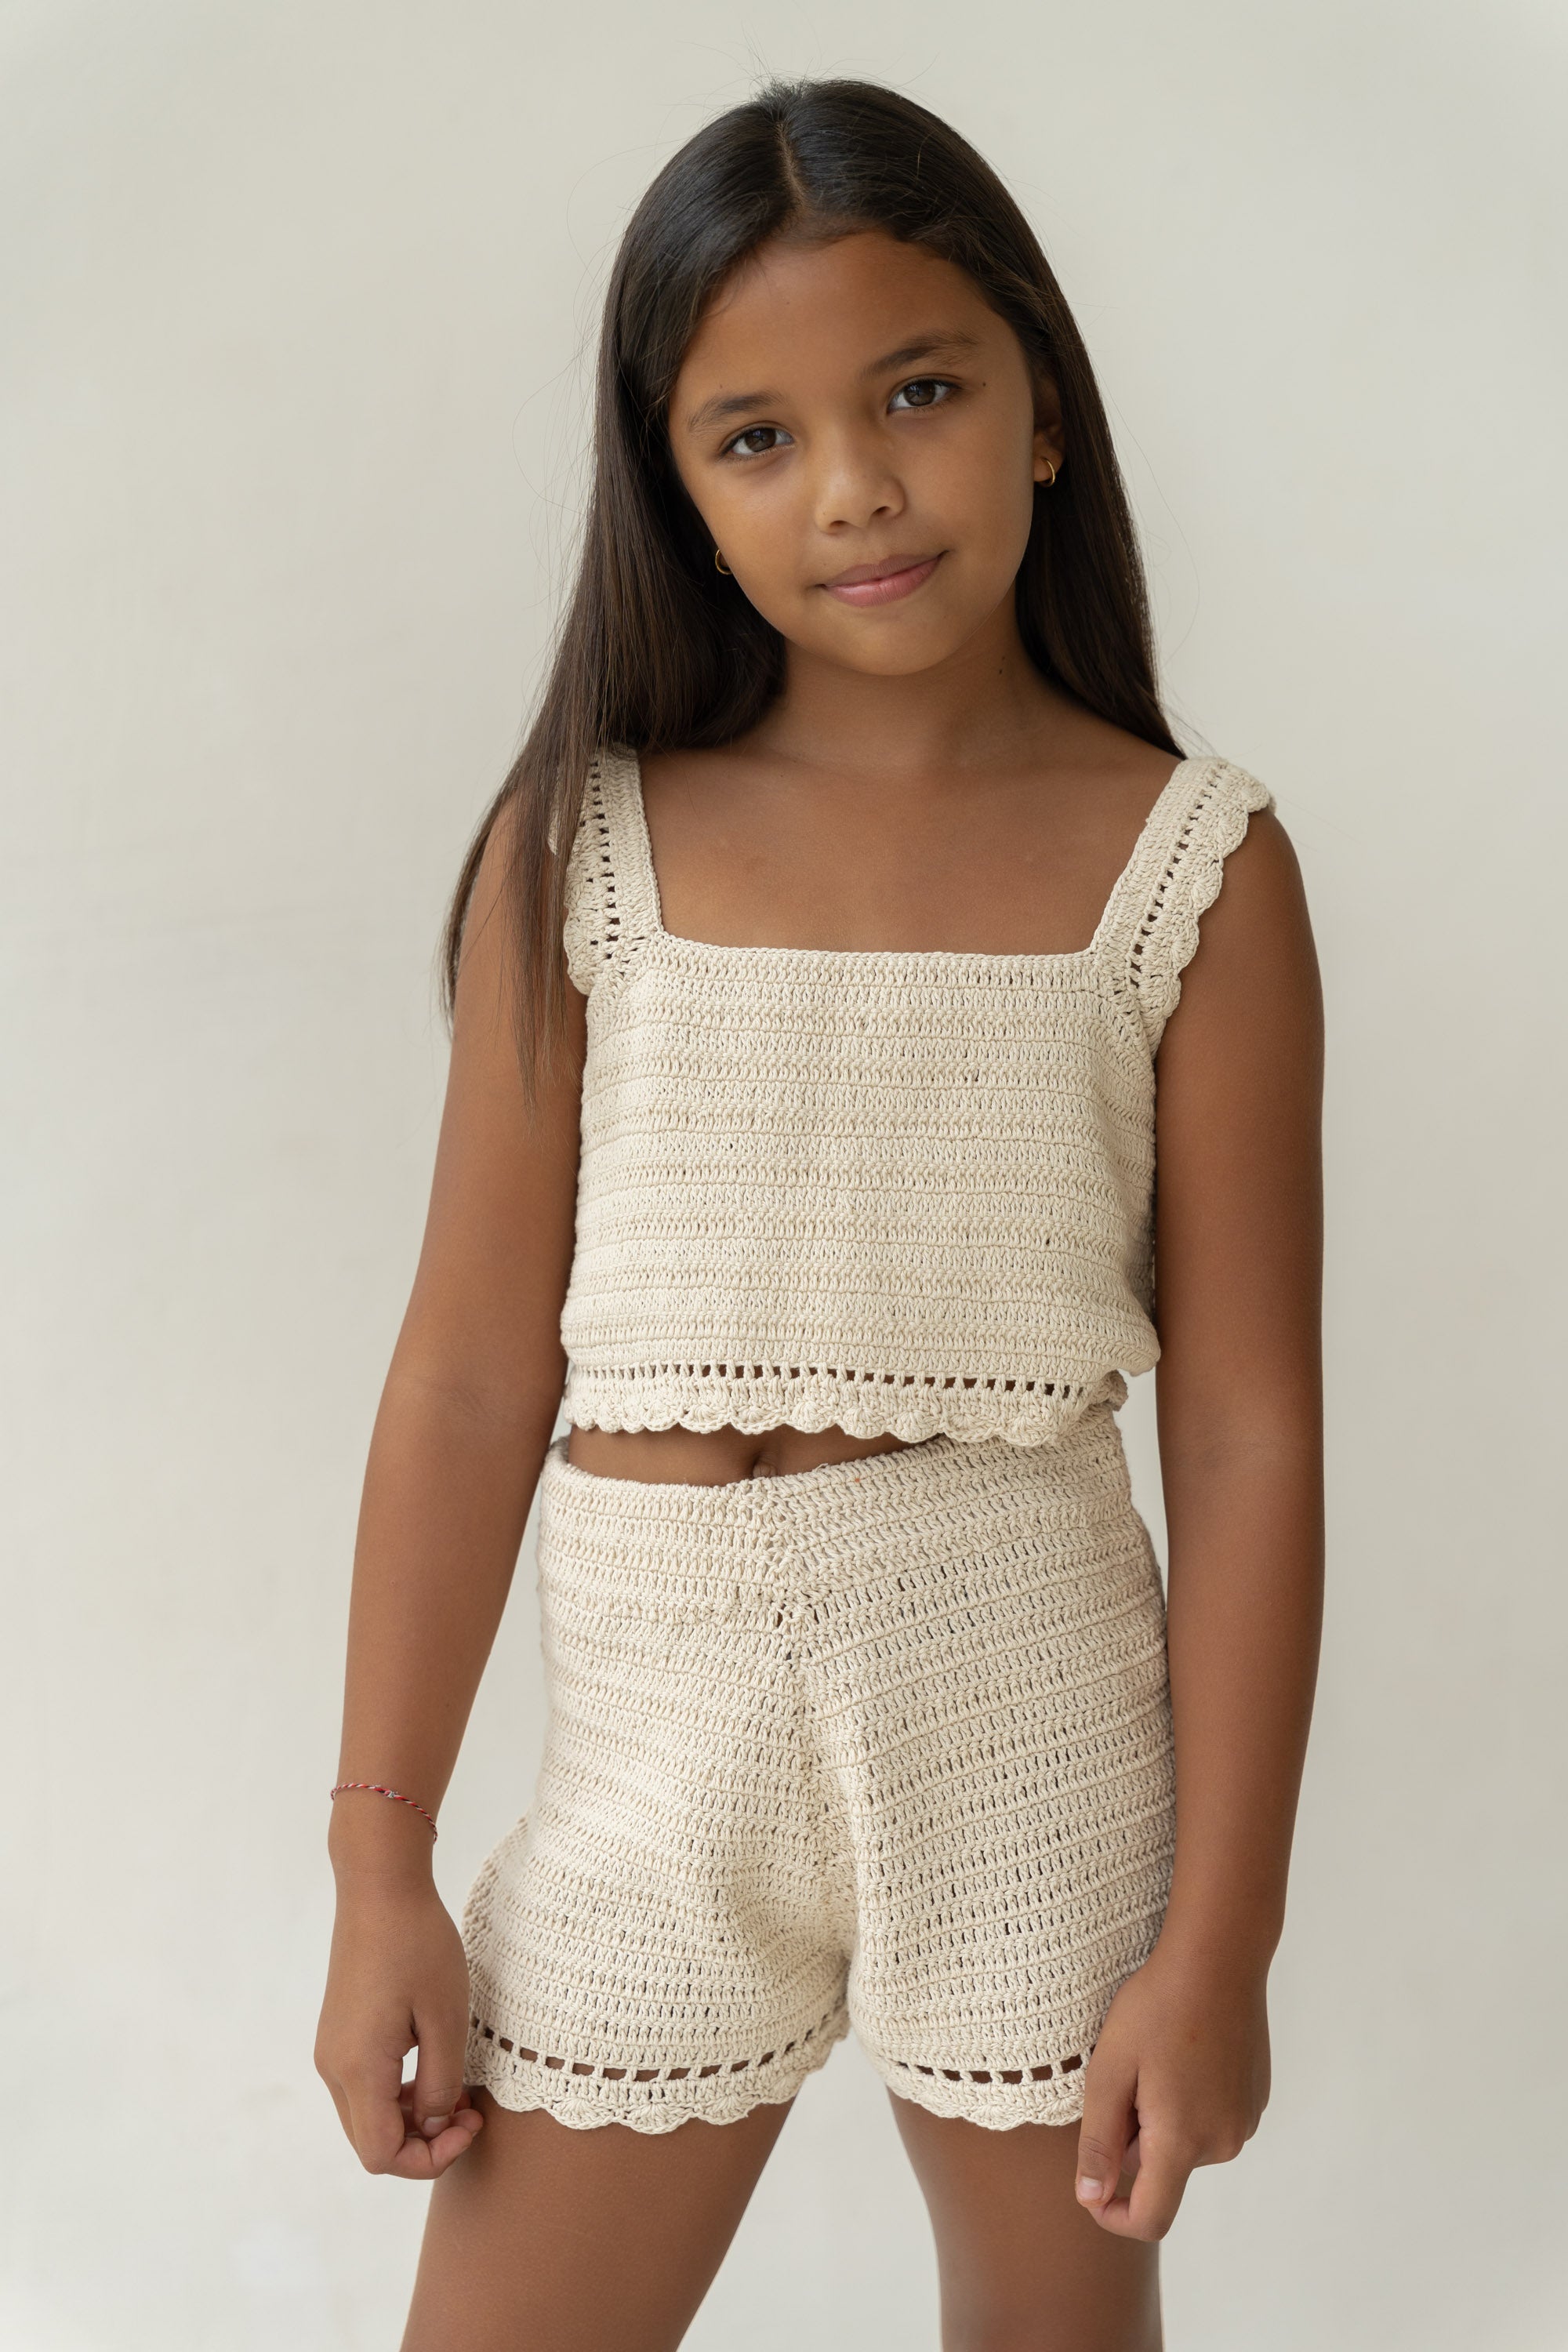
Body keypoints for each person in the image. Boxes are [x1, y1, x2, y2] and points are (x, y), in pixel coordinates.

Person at [314, 74, 1324, 2352]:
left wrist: (1221, 1936)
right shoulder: (578, 843)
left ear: (1039, 412)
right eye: (752, 435)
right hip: (658, 1751)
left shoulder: (1198, 873)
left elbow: (1253, 1432)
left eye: (920, 392)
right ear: (671, 489)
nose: (855, 483)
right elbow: (472, 1377)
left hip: (1034, 1714)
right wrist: (381, 1854)